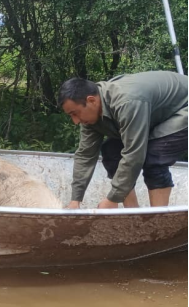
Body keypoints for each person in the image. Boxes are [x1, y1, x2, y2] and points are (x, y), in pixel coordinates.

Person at [59, 72, 188, 209]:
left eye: (75, 113)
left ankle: (158, 219)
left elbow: (134, 154)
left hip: (183, 108)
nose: (75, 121)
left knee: (153, 155)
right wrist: (75, 200)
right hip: (157, 113)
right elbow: (85, 155)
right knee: (111, 151)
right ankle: (133, 214)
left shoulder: (126, 102)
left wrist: (113, 199)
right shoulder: (90, 116)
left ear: (91, 101)